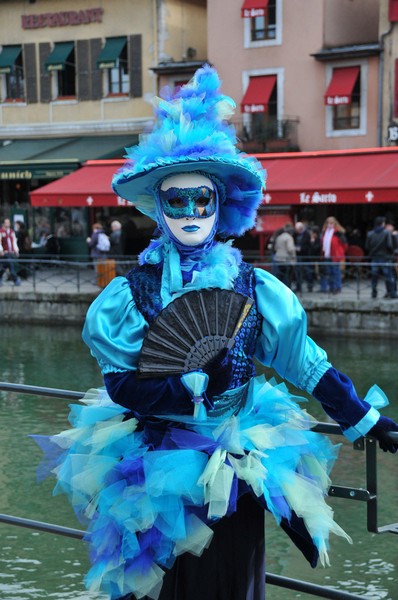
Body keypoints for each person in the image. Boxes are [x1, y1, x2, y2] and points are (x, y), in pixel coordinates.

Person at [34, 66, 398, 600]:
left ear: (219, 203)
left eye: (200, 199)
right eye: (175, 200)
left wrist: (362, 417)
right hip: (151, 463)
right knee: (155, 587)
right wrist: (182, 387)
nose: (189, 212)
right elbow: (120, 384)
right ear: (159, 208)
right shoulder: (130, 293)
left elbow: (306, 364)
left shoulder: (254, 288)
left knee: (227, 583)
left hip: (231, 468)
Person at [366, 216, 397, 299]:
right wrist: (391, 252)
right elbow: (389, 245)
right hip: (385, 257)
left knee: (374, 276)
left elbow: (367, 246)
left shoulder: (370, 233)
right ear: (382, 223)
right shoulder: (386, 233)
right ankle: (392, 293)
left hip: (374, 257)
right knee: (388, 276)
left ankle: (374, 293)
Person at [320, 216, 347, 294]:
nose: (329, 224)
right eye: (328, 223)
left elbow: (344, 244)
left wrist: (340, 252)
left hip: (335, 255)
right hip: (327, 255)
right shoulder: (325, 232)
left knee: (336, 272)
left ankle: (337, 287)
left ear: (335, 223)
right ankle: (331, 287)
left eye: (331, 223)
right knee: (329, 272)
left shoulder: (338, 233)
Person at [272, 223, 296, 287]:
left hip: (278, 258)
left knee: (280, 276)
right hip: (287, 260)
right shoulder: (289, 237)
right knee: (288, 276)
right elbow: (290, 249)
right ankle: (288, 289)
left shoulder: (279, 236)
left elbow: (275, 248)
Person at [0, 217, 21, 286]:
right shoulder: (1, 231)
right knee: (10, 266)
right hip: (4, 253)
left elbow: (14, 242)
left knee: (4, 267)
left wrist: (16, 250)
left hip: (11, 252)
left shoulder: (11, 232)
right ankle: (16, 280)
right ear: (3, 223)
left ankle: (1, 279)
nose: (8, 224)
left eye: (8, 222)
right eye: (6, 222)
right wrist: (1, 250)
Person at [293, 221, 312, 293]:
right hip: (298, 256)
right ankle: (298, 287)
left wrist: (300, 248)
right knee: (298, 272)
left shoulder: (307, 234)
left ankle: (310, 286)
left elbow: (307, 245)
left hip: (306, 256)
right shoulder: (295, 234)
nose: (297, 231)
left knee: (308, 272)